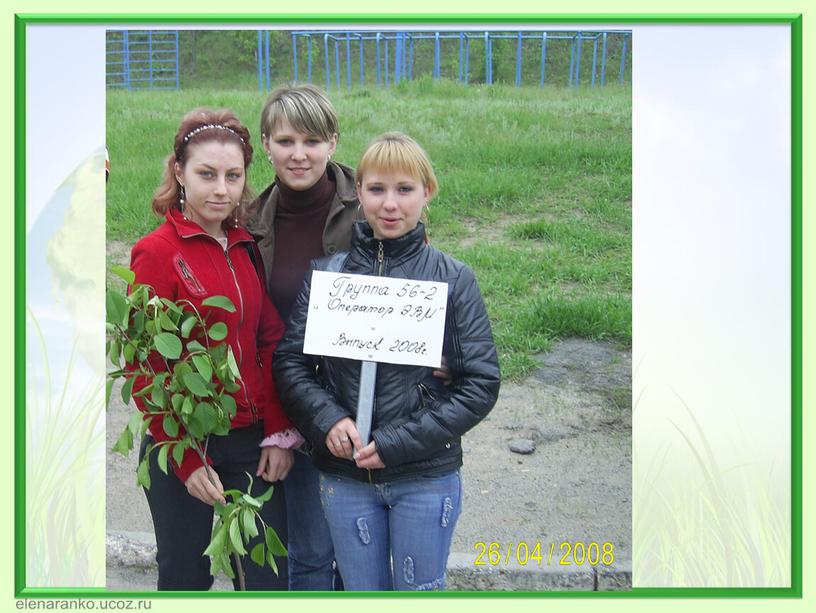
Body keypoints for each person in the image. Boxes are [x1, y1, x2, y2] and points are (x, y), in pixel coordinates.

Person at [273, 132, 501, 591]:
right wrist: (327, 418)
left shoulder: (453, 279)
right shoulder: (329, 275)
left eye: (405, 189)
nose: (390, 204)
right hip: (345, 476)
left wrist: (399, 441)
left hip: (424, 475)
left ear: (427, 192)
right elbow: (291, 364)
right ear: (358, 193)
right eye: (376, 190)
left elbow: (480, 382)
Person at [129, 107, 292, 591]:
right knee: (184, 576)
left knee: (265, 578)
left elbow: (269, 339)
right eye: (206, 174)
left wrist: (279, 432)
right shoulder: (157, 252)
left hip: (249, 437)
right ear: (179, 172)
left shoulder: (245, 245)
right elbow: (144, 366)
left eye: (233, 175)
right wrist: (185, 458)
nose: (221, 189)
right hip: (182, 439)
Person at [244, 83, 358, 591]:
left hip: (358, 401)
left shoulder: (371, 205)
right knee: (306, 550)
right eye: (286, 141)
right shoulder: (249, 221)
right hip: (290, 399)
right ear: (266, 144)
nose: (298, 154)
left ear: (332, 143)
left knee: (358, 552)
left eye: (312, 141)